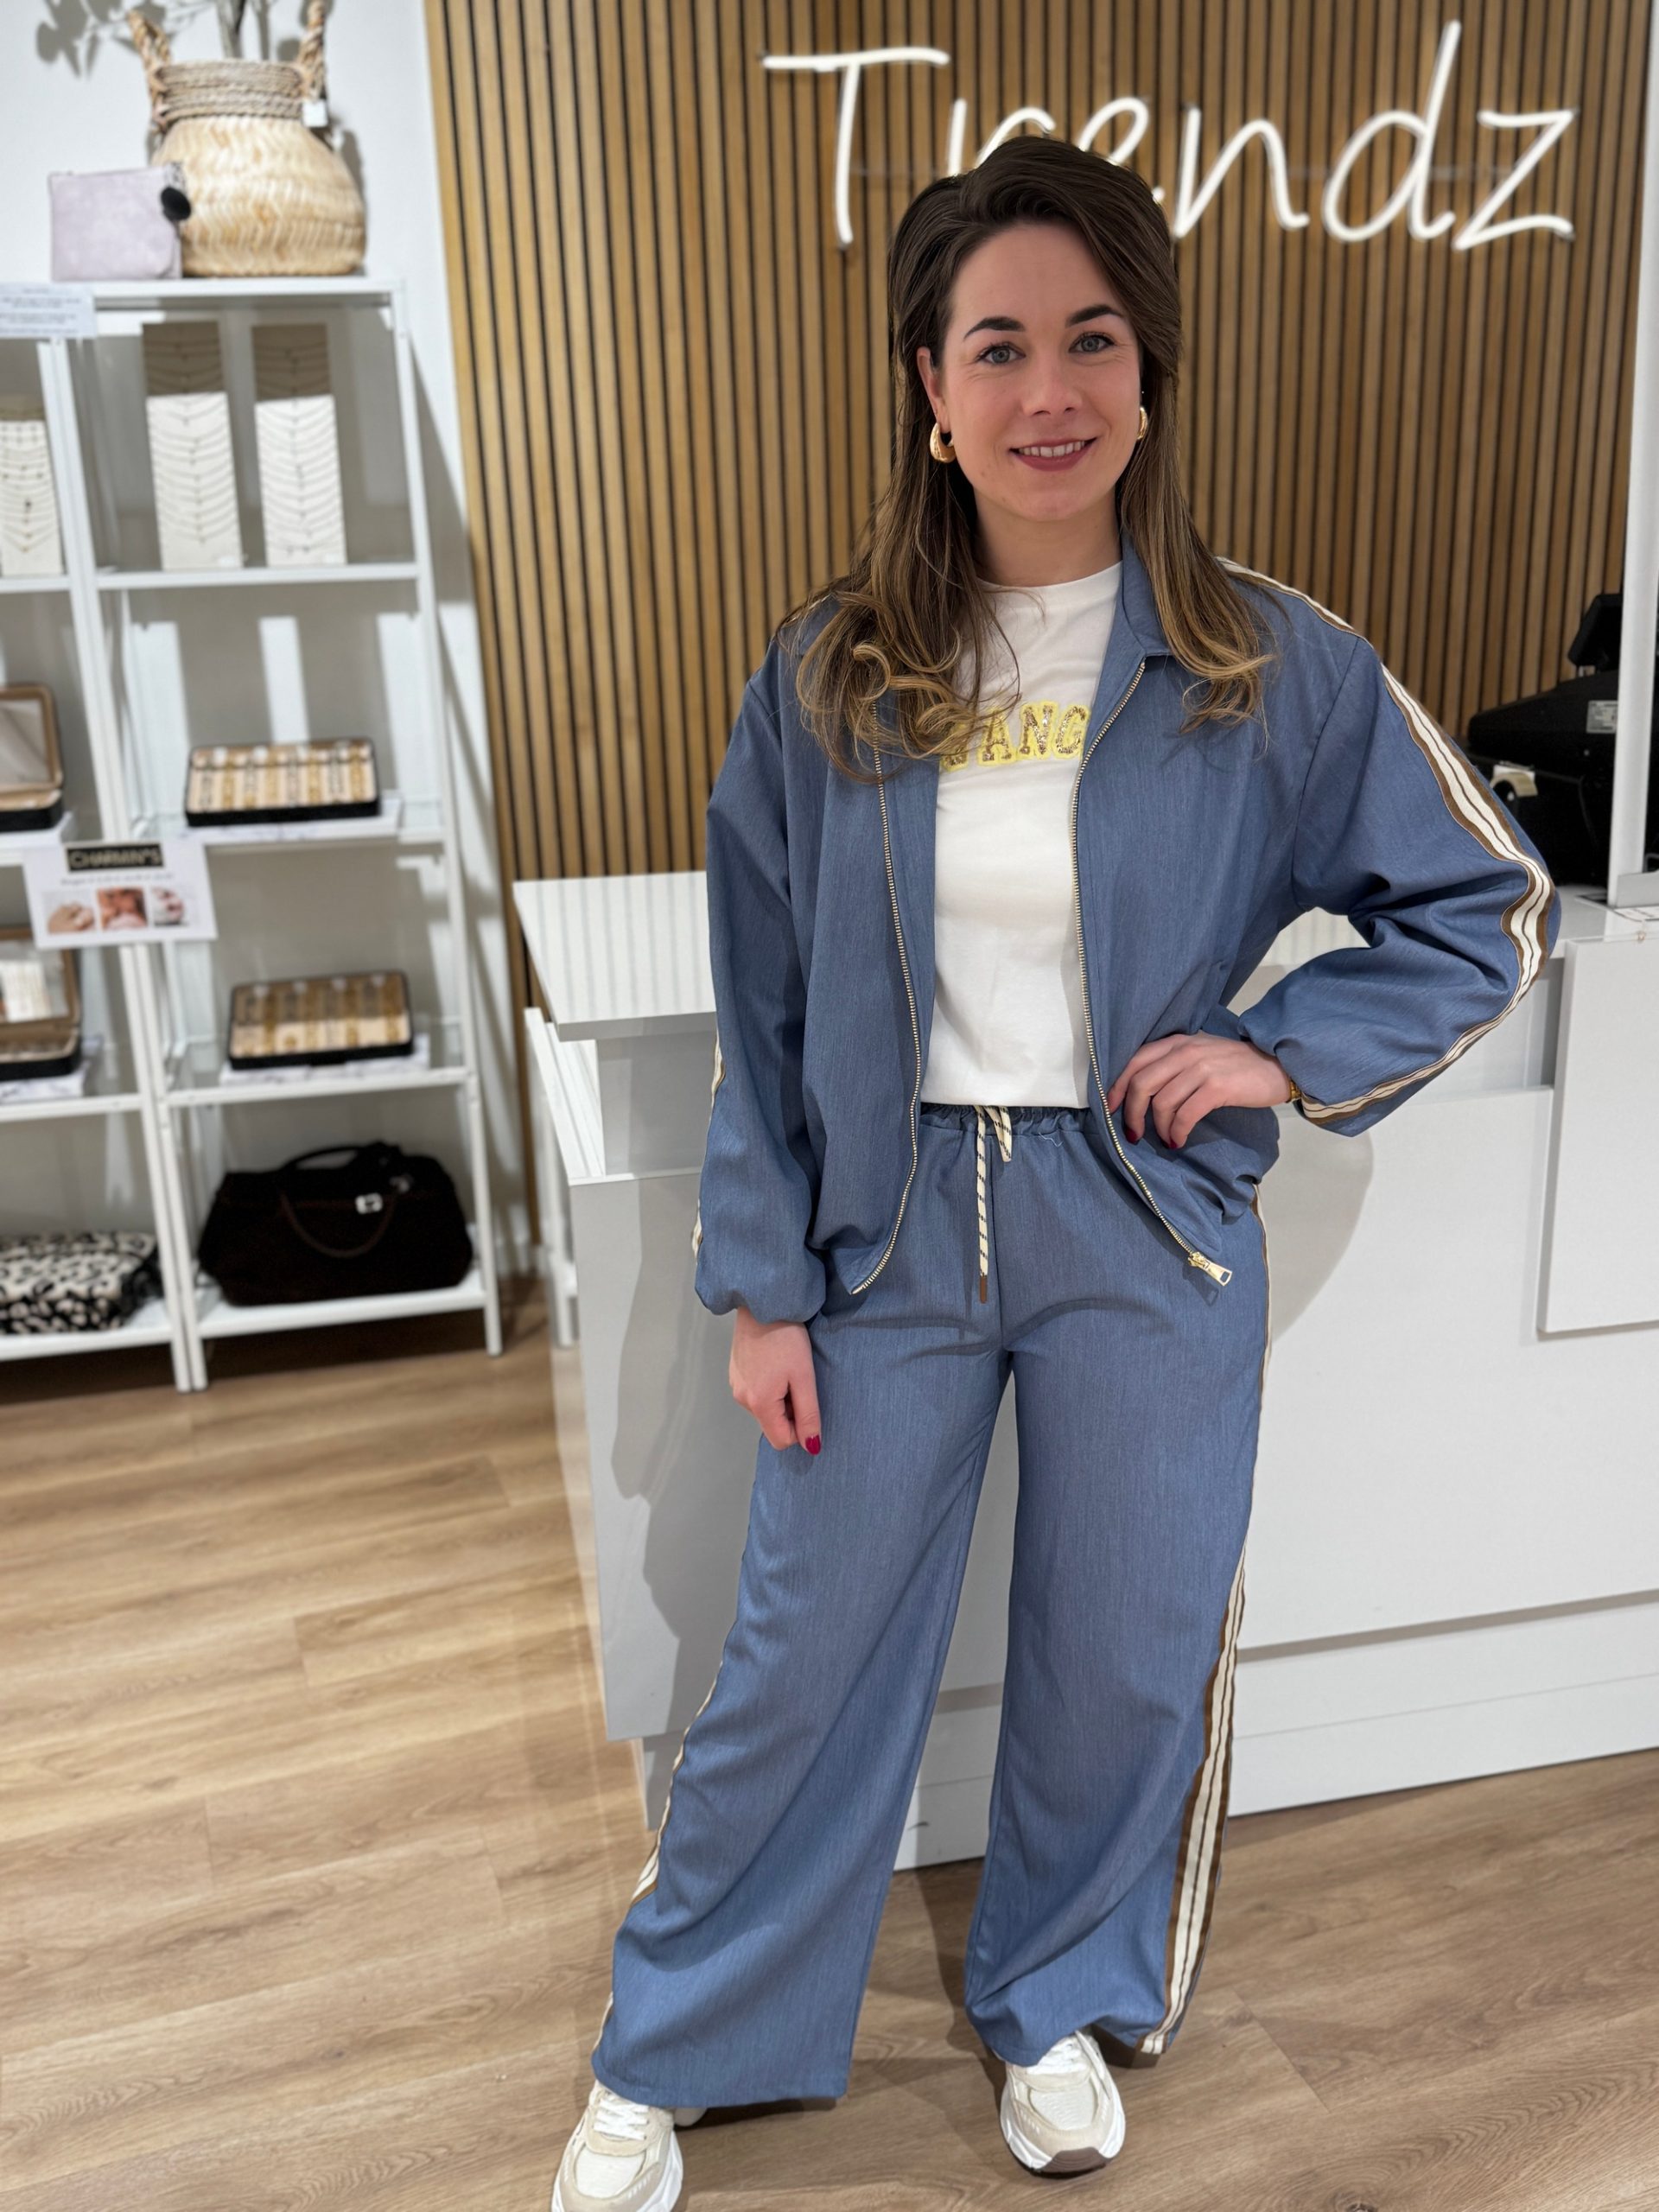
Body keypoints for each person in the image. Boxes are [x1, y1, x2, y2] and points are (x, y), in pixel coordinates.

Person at [552, 136, 1559, 2211]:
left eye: (1092, 338)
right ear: (929, 387)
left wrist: (1280, 1048)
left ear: (1150, 370)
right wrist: (762, 1282)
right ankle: (676, 2037)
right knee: (801, 1655)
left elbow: (1494, 902)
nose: (1049, 390)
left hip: (1140, 1219)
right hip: (886, 1232)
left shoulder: (1265, 661)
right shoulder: (829, 672)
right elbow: (762, 1006)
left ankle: (1059, 2002)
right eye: (997, 345)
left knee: (1125, 1641)